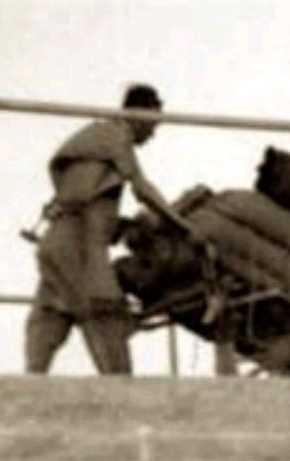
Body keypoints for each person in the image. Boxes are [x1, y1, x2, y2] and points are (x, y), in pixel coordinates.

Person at [23, 82, 204, 375]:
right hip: (77, 246)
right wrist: (183, 227)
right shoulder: (115, 135)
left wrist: (117, 224)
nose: (153, 134)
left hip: (57, 243)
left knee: (52, 314)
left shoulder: (95, 140)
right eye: (153, 125)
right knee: (105, 312)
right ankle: (122, 396)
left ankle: (28, 388)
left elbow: (80, 197)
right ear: (138, 115)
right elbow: (142, 189)